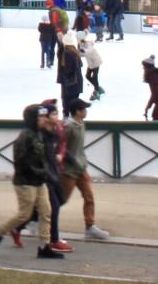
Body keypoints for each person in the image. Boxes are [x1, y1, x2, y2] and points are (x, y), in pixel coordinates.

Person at [0, 102, 64, 260]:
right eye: (41, 117)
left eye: (44, 116)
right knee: (24, 215)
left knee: (46, 211)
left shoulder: (39, 134)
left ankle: (44, 246)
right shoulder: (25, 137)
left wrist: (44, 173)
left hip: (40, 181)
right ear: (32, 119)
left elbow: (42, 157)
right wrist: (41, 172)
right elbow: (21, 162)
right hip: (25, 182)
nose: (44, 119)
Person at [60, 99, 108, 239]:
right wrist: (72, 160)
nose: (86, 111)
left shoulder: (81, 124)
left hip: (81, 169)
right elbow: (61, 146)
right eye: (84, 109)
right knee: (61, 199)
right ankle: (40, 219)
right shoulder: (69, 126)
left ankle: (90, 225)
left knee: (89, 197)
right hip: (69, 171)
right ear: (78, 111)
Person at [80, 33, 103, 101]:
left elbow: (89, 50)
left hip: (95, 62)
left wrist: (83, 52)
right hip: (91, 63)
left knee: (94, 77)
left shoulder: (86, 44)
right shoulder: (82, 44)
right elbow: (82, 54)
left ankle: (97, 91)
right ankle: (98, 89)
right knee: (88, 76)